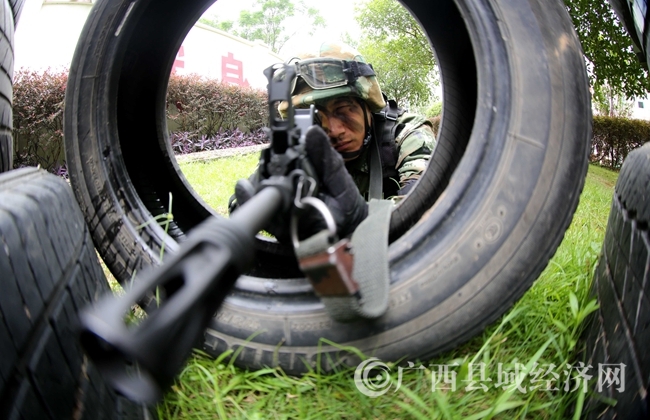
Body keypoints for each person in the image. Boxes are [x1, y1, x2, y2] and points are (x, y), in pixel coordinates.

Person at [232, 42, 436, 241]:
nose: (334, 130)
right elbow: (242, 207)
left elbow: (424, 207)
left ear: (368, 107)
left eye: (344, 110)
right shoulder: (302, 144)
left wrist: (361, 219)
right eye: (316, 117)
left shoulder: (406, 134)